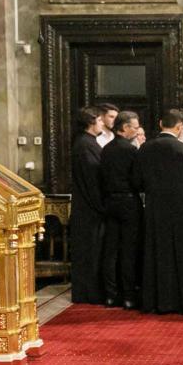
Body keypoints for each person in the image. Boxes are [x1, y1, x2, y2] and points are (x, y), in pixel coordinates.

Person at [135, 109, 183, 315]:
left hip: (155, 209)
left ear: (160, 124)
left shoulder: (145, 149)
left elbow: (137, 181)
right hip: (182, 209)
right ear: (179, 127)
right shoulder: (182, 149)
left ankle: (158, 301)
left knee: (158, 253)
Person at [100, 110, 143, 310]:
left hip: (110, 202)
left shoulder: (106, 149)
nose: (136, 130)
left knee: (110, 250)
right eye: (134, 127)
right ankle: (128, 296)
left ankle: (110, 295)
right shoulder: (131, 150)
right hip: (128, 202)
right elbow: (137, 179)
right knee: (128, 250)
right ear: (124, 128)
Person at [69, 106, 106, 304]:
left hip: (88, 206)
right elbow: (92, 179)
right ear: (91, 122)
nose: (102, 123)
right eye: (99, 120)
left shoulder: (88, 143)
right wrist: (102, 205)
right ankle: (88, 292)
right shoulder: (85, 145)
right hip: (89, 208)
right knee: (89, 251)